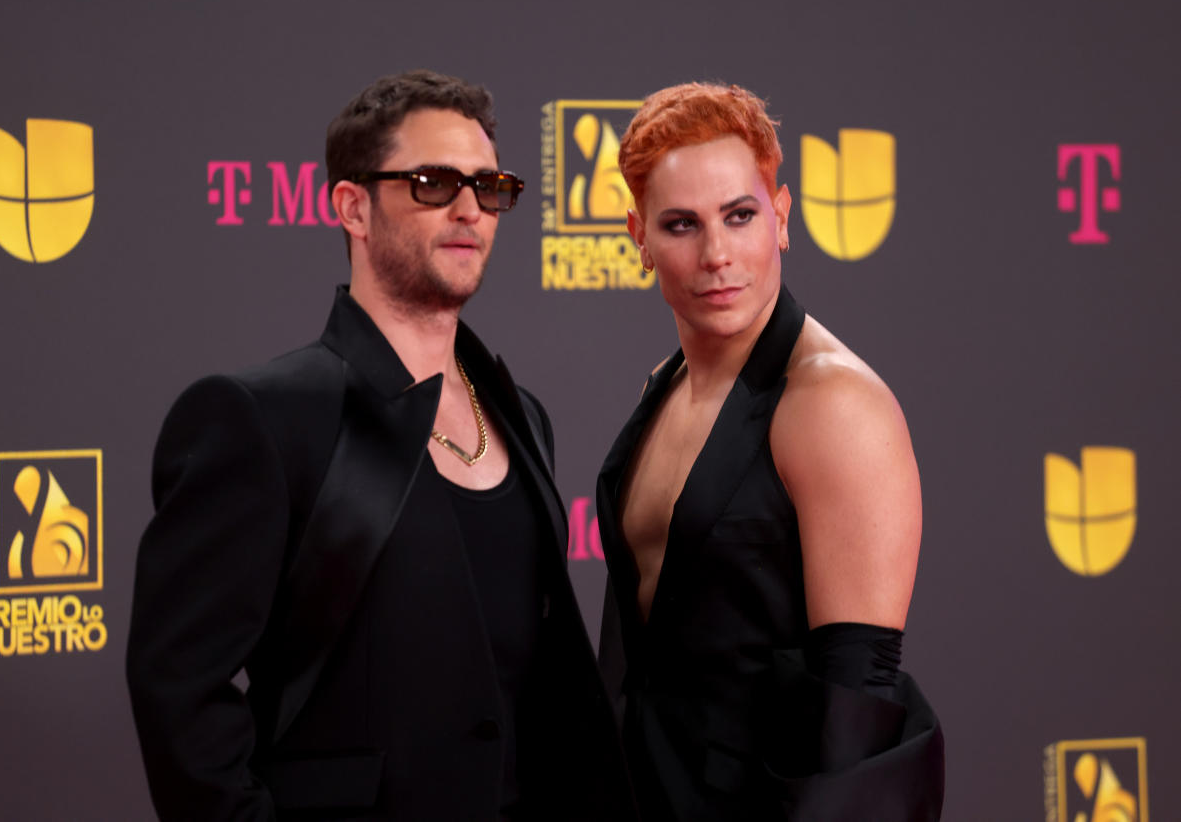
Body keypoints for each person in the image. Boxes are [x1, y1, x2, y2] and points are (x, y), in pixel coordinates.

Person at [126, 70, 635, 822]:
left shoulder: (521, 415)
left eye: (488, 185)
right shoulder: (259, 417)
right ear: (351, 207)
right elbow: (178, 692)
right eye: (432, 183)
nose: (469, 208)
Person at [596, 82, 945, 820]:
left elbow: (856, 707)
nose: (717, 254)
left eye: (740, 215)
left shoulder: (831, 404)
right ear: (638, 236)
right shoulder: (661, 385)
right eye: (682, 224)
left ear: (780, 218)